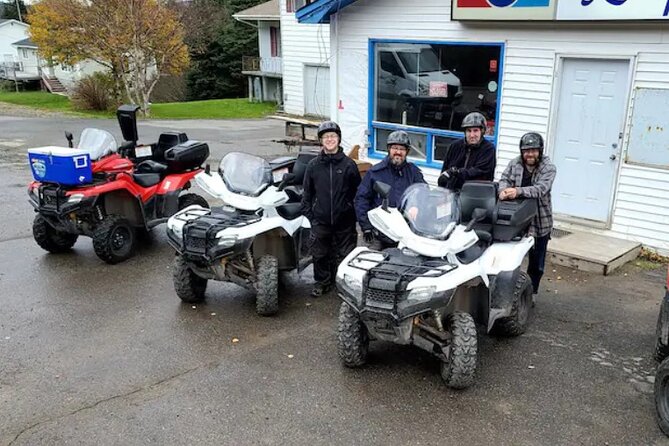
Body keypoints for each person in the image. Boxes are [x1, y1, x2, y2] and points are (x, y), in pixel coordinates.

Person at [301, 121, 361, 297]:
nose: (329, 140)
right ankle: (322, 282)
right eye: (326, 137)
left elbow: (357, 192)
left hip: (345, 221)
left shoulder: (349, 165)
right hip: (320, 219)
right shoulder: (313, 165)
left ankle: (344, 284)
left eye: (333, 136)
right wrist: (312, 217)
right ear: (321, 140)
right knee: (319, 254)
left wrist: (351, 211)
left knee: (346, 254)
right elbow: (307, 193)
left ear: (339, 139)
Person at [498, 132, 557, 296]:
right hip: (516, 218)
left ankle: (531, 294)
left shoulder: (549, 167)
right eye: (526, 151)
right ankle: (507, 291)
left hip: (540, 220)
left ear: (540, 150)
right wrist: (502, 191)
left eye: (533, 150)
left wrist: (517, 191)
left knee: (537, 264)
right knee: (509, 255)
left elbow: (541, 189)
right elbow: (504, 179)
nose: (529, 154)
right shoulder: (514, 163)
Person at [354, 130, 426, 250]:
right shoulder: (375, 172)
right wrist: (366, 226)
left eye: (402, 149)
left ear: (407, 152)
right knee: (370, 263)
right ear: (389, 149)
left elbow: (424, 193)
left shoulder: (413, 172)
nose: (398, 152)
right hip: (379, 232)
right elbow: (361, 199)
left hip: (405, 233)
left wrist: (417, 206)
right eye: (394, 148)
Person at [438, 112, 496, 191]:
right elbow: (445, 170)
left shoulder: (488, 149)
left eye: (475, 131)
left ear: (482, 131)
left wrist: (456, 172)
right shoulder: (455, 146)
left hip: (476, 194)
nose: (472, 135)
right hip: (452, 193)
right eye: (469, 131)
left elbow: (480, 172)